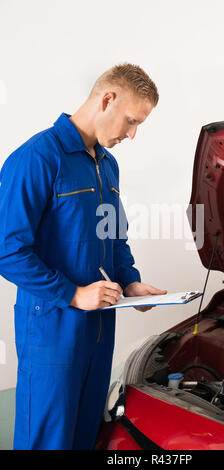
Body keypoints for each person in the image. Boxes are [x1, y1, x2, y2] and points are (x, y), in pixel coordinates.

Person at [0, 63, 167, 450]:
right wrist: (73, 294)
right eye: (130, 121)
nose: (132, 134)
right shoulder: (37, 158)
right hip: (51, 329)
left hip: (99, 328)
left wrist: (131, 282)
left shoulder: (108, 166)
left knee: (86, 436)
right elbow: (7, 250)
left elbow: (114, 237)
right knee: (48, 440)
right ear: (106, 99)